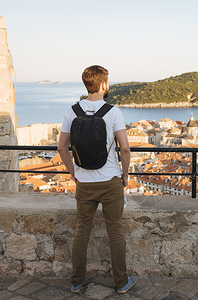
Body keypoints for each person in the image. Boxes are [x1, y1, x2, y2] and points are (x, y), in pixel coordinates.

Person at [57, 65, 136, 294]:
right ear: (103, 85)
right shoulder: (113, 111)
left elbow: (62, 147)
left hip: (84, 183)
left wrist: (72, 171)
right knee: (115, 231)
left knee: (82, 231)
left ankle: (76, 281)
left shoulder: (72, 111)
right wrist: (126, 173)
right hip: (110, 181)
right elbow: (125, 149)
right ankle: (121, 283)